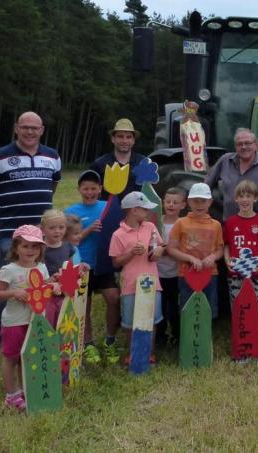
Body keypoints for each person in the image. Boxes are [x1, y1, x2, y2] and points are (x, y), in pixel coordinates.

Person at [0, 111, 62, 343]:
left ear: (41, 130)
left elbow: (52, 186)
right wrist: (9, 204)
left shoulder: (53, 156)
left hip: (40, 233)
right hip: (10, 231)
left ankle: (32, 328)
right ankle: (0, 334)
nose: (29, 132)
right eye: (25, 127)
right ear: (16, 128)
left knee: (36, 278)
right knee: (6, 280)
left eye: (34, 128)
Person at [88, 118, 147, 360]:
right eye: (120, 136)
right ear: (113, 138)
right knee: (110, 266)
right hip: (108, 224)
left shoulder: (143, 163)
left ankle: (130, 323)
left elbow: (149, 193)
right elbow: (92, 193)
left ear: (133, 140)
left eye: (128, 136)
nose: (124, 140)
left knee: (131, 271)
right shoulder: (101, 163)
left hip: (134, 224)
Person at [0, 225, 58, 411]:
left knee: (28, 357)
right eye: (25, 246)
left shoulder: (41, 267)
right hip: (14, 322)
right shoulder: (9, 270)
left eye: (35, 246)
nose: (30, 250)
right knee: (11, 358)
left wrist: (53, 285)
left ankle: (26, 390)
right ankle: (11, 395)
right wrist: (13, 292)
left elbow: (42, 288)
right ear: (16, 248)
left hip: (35, 321)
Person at [109, 192, 166, 364]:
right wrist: (131, 253)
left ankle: (149, 352)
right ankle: (133, 352)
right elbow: (115, 262)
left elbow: (160, 245)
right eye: (145, 209)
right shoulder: (118, 234)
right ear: (134, 210)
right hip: (130, 284)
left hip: (152, 282)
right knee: (129, 322)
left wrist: (159, 251)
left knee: (151, 319)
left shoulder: (150, 227)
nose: (148, 212)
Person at [64, 170, 106, 361]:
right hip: (81, 266)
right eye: (85, 189)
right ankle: (87, 343)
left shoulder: (107, 207)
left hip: (104, 265)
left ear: (100, 189)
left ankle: (111, 338)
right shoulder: (70, 212)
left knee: (113, 297)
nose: (89, 192)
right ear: (79, 189)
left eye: (93, 188)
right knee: (84, 305)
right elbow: (67, 240)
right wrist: (89, 229)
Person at [168, 183, 224, 318]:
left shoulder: (216, 225)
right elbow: (171, 249)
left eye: (203, 201)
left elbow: (220, 250)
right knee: (188, 310)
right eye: (195, 201)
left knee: (208, 309)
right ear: (189, 202)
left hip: (210, 274)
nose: (199, 204)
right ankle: (187, 332)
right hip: (186, 274)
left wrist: (212, 257)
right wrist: (190, 258)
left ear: (210, 202)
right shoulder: (181, 223)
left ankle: (206, 332)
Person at [206, 128, 258, 220]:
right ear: (235, 147)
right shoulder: (225, 161)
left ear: (256, 145)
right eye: (240, 144)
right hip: (230, 223)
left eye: (247, 143)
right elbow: (207, 184)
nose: (243, 147)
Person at [223, 181, 258, 305]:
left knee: (255, 306)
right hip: (235, 272)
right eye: (241, 196)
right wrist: (227, 260)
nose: (245, 200)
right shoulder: (230, 222)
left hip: (256, 272)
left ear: (255, 198)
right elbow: (226, 244)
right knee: (237, 306)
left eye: (248, 196)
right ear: (236, 199)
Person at [156, 188, 186, 347]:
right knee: (159, 307)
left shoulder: (184, 224)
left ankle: (177, 335)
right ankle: (160, 336)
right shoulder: (157, 222)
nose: (171, 205)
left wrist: (169, 251)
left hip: (176, 274)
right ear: (163, 203)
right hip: (157, 274)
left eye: (175, 202)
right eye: (168, 201)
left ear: (183, 205)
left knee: (175, 307)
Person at [40, 209, 75, 327]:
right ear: (43, 229)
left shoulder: (67, 246)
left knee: (63, 318)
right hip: (47, 292)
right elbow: (37, 272)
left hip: (64, 292)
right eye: (52, 228)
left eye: (61, 227)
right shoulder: (40, 248)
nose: (57, 231)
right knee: (48, 319)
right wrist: (49, 280)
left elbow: (70, 267)